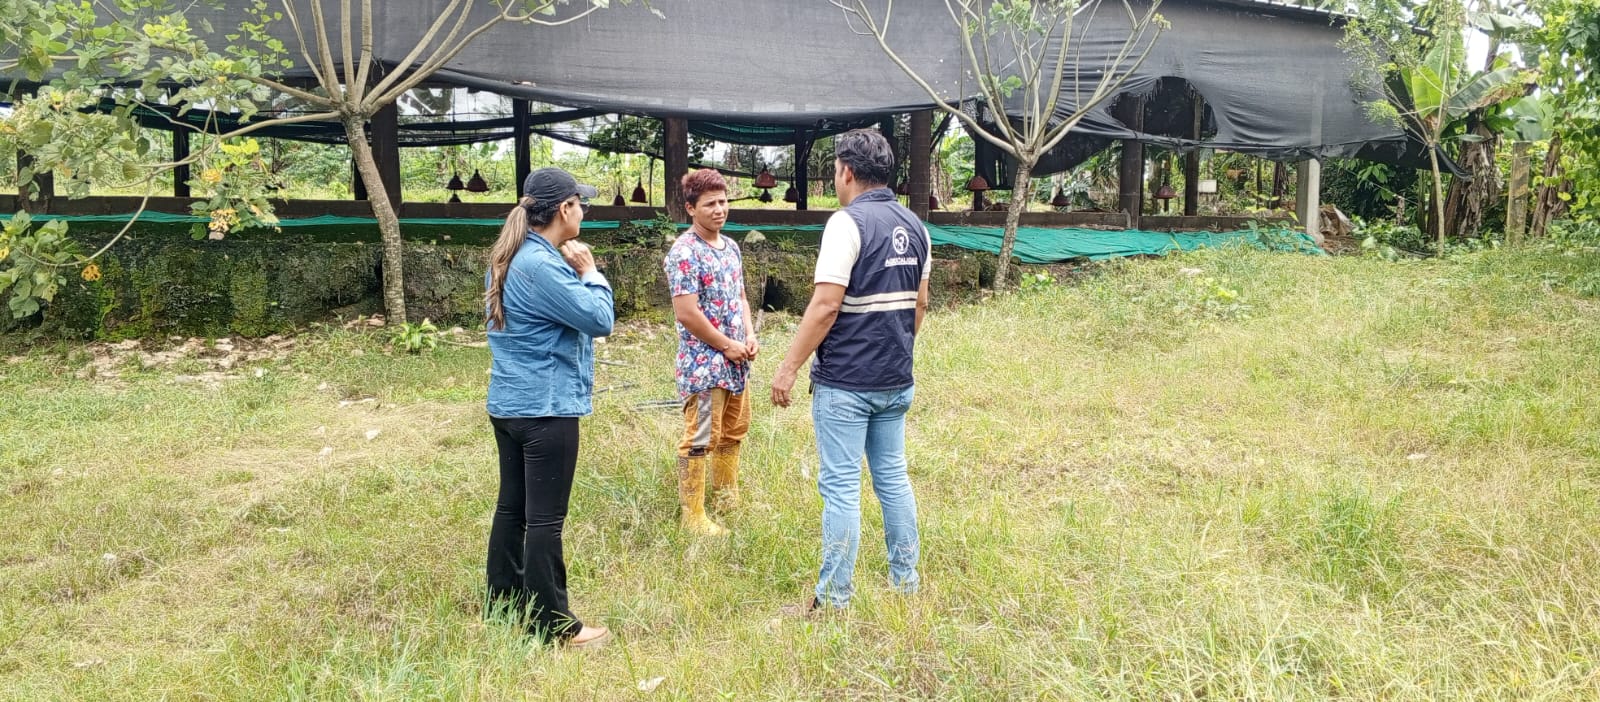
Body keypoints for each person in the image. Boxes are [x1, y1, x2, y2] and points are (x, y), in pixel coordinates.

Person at [771, 128, 932, 611]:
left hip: (846, 383)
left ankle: (834, 598)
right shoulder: (917, 226)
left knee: (841, 487)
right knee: (893, 479)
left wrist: (788, 368)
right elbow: (920, 304)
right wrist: (895, 350)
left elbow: (825, 306)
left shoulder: (846, 224)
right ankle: (906, 583)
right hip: (896, 379)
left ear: (845, 172)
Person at [483, 167, 613, 647]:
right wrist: (590, 272)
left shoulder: (509, 255)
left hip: (509, 404)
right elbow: (599, 319)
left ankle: (503, 605)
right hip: (545, 408)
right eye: (581, 204)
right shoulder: (543, 265)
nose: (584, 212)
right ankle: (554, 624)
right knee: (544, 520)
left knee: (512, 509)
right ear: (564, 208)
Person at [663, 168, 758, 536]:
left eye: (723, 202)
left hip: (737, 361)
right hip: (705, 365)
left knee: (734, 431)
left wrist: (749, 334)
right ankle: (694, 516)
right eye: (710, 204)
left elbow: (741, 297)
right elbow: (686, 312)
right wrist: (727, 345)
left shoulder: (731, 247)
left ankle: (726, 496)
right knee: (701, 436)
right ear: (691, 208)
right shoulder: (684, 252)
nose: (719, 210)